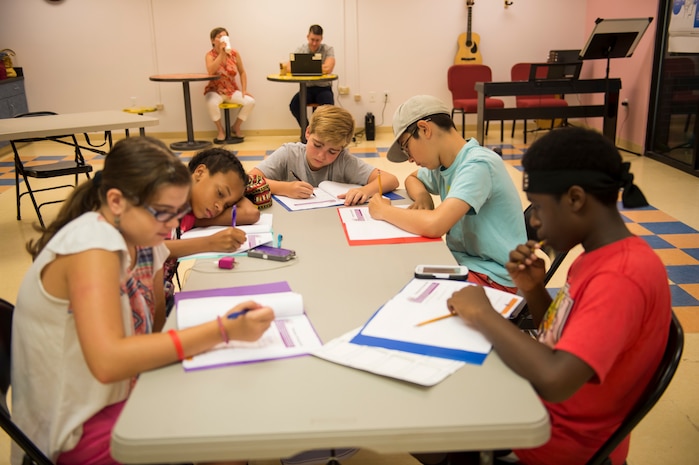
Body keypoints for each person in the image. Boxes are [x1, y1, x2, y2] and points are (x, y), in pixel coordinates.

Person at [11, 137, 274, 465]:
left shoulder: (143, 238)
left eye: (178, 213)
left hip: (114, 393)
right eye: (163, 214)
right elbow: (109, 362)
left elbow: (154, 329)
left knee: (223, 405)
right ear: (117, 201)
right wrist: (223, 330)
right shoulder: (93, 246)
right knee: (221, 429)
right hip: (73, 427)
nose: (173, 226)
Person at [428, 127, 671, 465]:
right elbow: (558, 336)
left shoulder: (621, 277)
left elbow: (556, 381)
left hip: (558, 441)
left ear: (575, 199)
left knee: (429, 426)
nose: (536, 222)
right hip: (549, 414)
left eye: (539, 208)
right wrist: (533, 289)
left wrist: (484, 314)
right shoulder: (593, 257)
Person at [368, 95, 526, 292]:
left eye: (406, 147)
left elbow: (435, 225)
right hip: (464, 264)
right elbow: (413, 178)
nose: (409, 158)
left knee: (399, 292)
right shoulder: (444, 163)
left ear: (425, 129)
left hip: (494, 277)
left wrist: (383, 211)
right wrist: (422, 196)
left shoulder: (478, 164)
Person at [162, 147, 261, 308]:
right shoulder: (163, 198)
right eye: (220, 193)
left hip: (163, 299)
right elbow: (149, 250)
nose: (219, 207)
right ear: (200, 172)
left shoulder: (190, 214)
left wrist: (236, 189)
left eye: (228, 204)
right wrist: (210, 243)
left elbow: (251, 214)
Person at [249, 105, 398, 205]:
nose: (321, 155)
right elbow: (249, 179)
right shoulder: (289, 153)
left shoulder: (343, 160)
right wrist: (285, 188)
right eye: (317, 145)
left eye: (332, 151)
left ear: (342, 148)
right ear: (308, 132)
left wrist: (364, 190)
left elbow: (390, 179)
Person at [205, 26, 255, 143]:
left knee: (250, 101)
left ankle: (236, 126)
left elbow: (242, 72)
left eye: (225, 36)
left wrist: (243, 90)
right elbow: (211, 71)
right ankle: (220, 130)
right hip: (215, 90)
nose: (223, 38)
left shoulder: (234, 53)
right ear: (213, 40)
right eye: (219, 36)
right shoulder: (209, 55)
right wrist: (222, 54)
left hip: (231, 90)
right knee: (211, 102)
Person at [285, 24, 335, 127]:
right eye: (312, 39)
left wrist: (304, 66)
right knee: (294, 105)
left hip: (323, 88)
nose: (314, 43)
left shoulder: (328, 49)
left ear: (322, 39)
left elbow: (329, 68)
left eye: (317, 40)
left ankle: (322, 135)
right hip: (306, 88)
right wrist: (319, 67)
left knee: (329, 110)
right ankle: (308, 131)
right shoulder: (301, 49)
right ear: (307, 36)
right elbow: (288, 67)